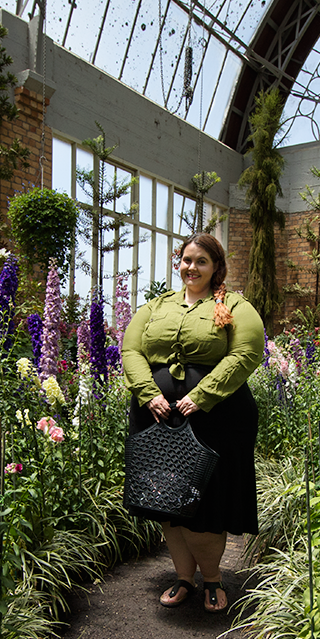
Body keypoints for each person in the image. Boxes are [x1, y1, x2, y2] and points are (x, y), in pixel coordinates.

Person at [122, 233, 265, 612]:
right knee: (168, 501)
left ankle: (214, 580)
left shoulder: (235, 305)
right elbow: (131, 349)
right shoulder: (155, 306)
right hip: (156, 417)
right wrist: (148, 392)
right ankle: (184, 578)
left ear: (216, 266)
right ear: (178, 262)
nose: (192, 267)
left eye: (201, 261)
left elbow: (248, 351)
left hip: (216, 419)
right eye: (186, 259)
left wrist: (200, 397)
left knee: (206, 508)